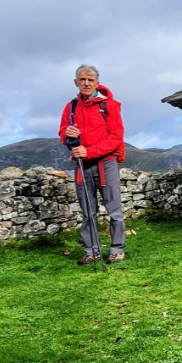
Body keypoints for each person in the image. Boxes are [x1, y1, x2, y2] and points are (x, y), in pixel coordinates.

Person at [59, 64, 127, 265]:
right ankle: (92, 250)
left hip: (106, 163)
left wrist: (90, 151)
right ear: (76, 83)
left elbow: (116, 137)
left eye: (90, 80)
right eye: (82, 79)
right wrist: (68, 136)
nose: (86, 83)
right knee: (88, 211)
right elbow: (63, 134)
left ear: (97, 83)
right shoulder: (71, 107)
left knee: (114, 209)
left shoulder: (109, 106)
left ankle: (117, 249)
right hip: (82, 164)